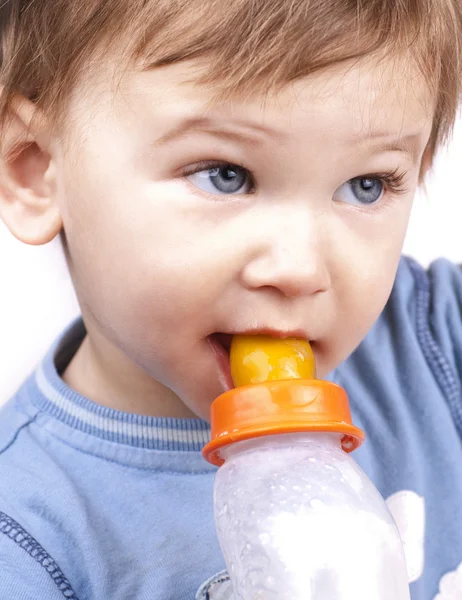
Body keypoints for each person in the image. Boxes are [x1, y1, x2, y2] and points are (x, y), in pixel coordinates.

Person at [0, 0, 461, 598]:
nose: (298, 269)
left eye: (365, 185)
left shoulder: (434, 342)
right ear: (35, 168)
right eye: (225, 174)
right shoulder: (28, 542)